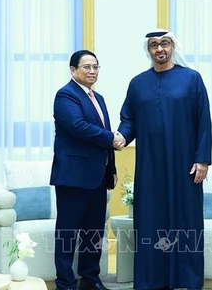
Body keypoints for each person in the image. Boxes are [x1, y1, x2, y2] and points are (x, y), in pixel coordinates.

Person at [116, 29, 212, 290]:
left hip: (185, 166)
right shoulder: (137, 83)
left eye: (165, 44)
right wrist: (122, 138)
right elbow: (129, 120)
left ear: (173, 47)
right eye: (154, 45)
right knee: (150, 220)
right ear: (148, 50)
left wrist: (202, 160)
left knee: (187, 220)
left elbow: (203, 121)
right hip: (150, 166)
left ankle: (188, 280)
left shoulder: (191, 79)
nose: (160, 49)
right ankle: (150, 281)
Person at [50, 50, 123, 290]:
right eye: (87, 67)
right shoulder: (66, 96)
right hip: (73, 177)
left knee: (94, 232)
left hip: (97, 177)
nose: (92, 71)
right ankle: (65, 283)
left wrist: (110, 168)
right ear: (73, 70)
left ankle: (90, 279)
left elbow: (103, 134)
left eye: (96, 67)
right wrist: (112, 138)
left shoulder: (98, 98)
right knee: (68, 233)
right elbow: (78, 127)